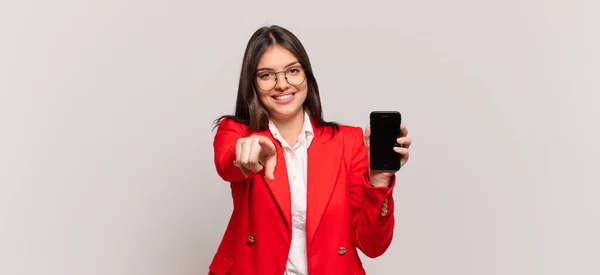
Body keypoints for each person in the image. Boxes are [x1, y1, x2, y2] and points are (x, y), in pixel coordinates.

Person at [208, 25, 412, 275]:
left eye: (292, 71)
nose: (282, 84)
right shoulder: (238, 132)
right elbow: (226, 162)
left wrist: (379, 181)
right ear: (252, 83)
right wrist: (246, 156)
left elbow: (372, 246)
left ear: (307, 75)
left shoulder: (348, 142)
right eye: (266, 75)